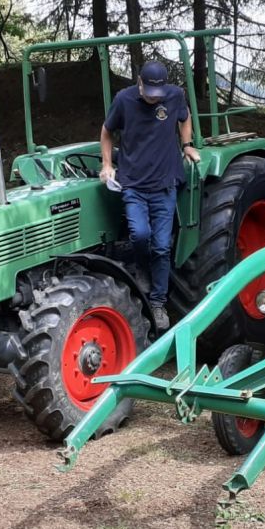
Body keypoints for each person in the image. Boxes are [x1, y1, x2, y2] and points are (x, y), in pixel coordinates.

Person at [99, 60, 200, 331]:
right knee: (140, 235)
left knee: (162, 246)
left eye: (157, 95)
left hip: (165, 184)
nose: (153, 99)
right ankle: (140, 268)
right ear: (139, 82)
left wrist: (187, 144)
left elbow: (185, 115)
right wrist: (107, 164)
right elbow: (107, 131)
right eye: (148, 93)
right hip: (133, 184)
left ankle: (158, 304)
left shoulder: (174, 95)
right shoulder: (124, 100)